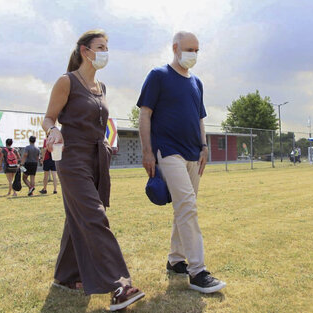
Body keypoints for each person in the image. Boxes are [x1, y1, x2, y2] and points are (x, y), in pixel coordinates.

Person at [41, 30, 144, 311]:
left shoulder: (103, 87)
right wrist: (52, 131)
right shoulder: (67, 82)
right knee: (94, 215)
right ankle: (120, 285)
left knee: (78, 215)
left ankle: (65, 277)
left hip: (97, 157)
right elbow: (48, 117)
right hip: (72, 158)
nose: (105, 52)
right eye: (101, 47)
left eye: (107, 47)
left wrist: (106, 145)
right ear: (85, 51)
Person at [137, 31, 226, 294]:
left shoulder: (197, 82)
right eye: (189, 49)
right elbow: (145, 114)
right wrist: (147, 151)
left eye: (197, 50)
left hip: (193, 153)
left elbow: (200, 118)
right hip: (168, 151)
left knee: (184, 206)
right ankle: (197, 271)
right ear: (175, 48)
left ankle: (176, 260)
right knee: (187, 204)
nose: (194, 55)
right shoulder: (158, 75)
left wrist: (205, 146)